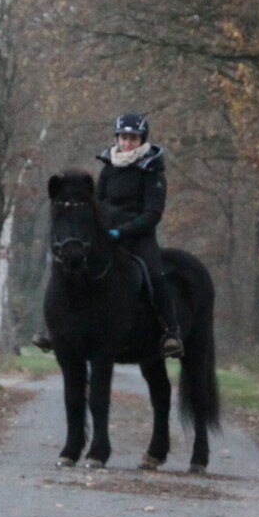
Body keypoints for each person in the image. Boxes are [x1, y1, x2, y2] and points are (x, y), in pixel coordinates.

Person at [99, 114, 183, 359]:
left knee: (155, 276)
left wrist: (122, 231)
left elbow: (152, 214)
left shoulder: (152, 171)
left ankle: (171, 332)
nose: (127, 143)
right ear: (117, 138)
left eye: (132, 138)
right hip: (107, 236)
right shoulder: (108, 168)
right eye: (123, 137)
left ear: (141, 140)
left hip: (139, 237)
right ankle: (55, 327)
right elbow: (98, 202)